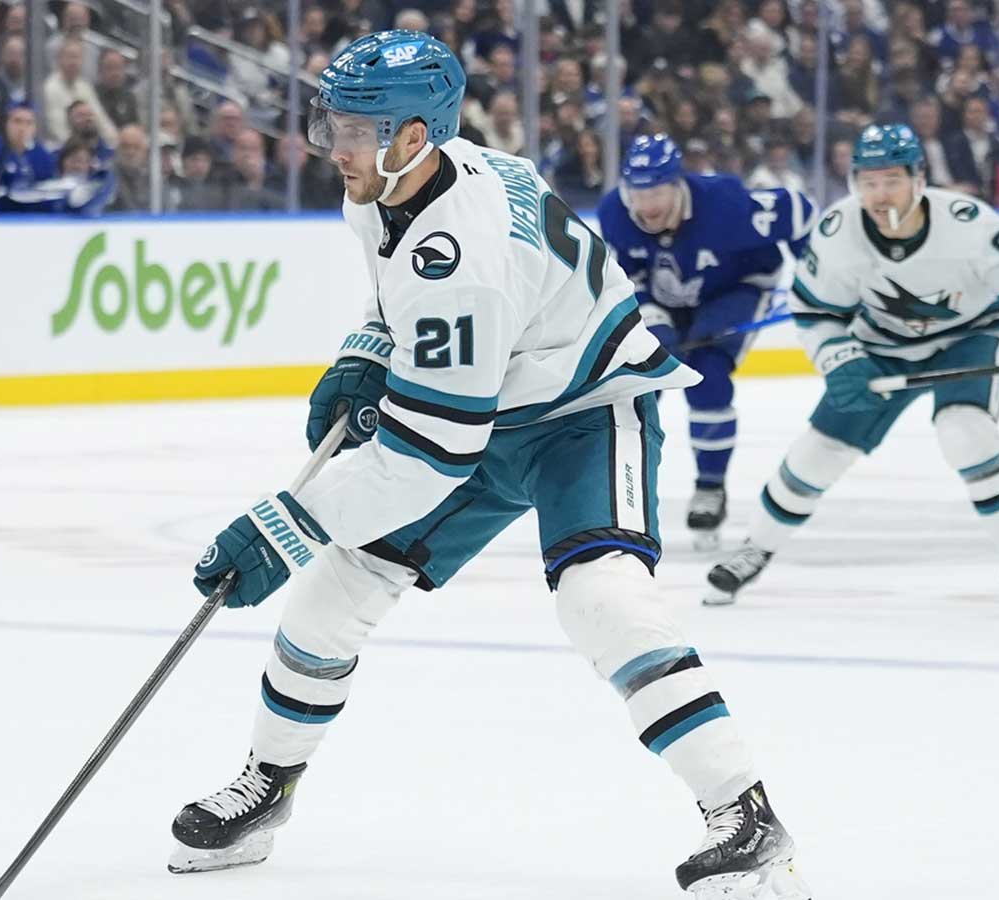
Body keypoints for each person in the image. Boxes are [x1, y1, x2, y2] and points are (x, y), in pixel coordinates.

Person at [166, 31, 812, 899]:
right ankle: (270, 783)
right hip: (481, 400)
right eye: (332, 124)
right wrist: (365, 351)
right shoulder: (405, 179)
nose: (332, 147)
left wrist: (282, 526)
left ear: (413, 138)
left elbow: (430, 453)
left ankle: (746, 814)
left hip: (583, 410)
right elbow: (398, 294)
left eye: (354, 130)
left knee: (603, 600)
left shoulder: (460, 256)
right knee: (333, 597)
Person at [704, 124, 999, 618]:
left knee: (964, 430)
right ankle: (756, 547)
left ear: (919, 178)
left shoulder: (966, 222)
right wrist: (840, 360)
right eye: (868, 181)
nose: (879, 194)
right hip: (879, 346)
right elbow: (815, 314)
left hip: (970, 337)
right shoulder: (838, 232)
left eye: (891, 180)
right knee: (818, 452)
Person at [596, 133, 815, 549]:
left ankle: (710, 488)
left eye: (657, 191)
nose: (647, 206)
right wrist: (654, 319)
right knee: (639, 385)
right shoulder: (614, 212)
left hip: (734, 289)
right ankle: (624, 490)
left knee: (708, 373)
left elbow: (800, 213)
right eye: (638, 193)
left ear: (677, 184)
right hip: (663, 298)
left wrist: (818, 279)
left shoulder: (725, 203)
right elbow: (623, 277)